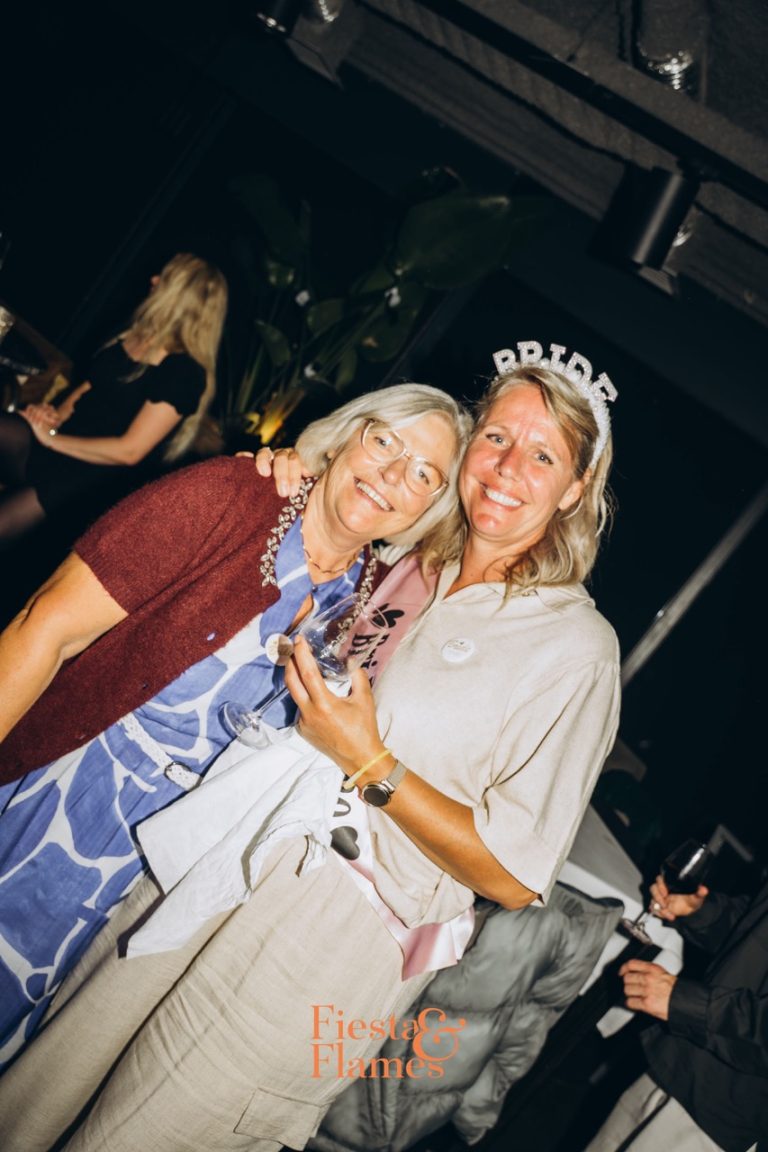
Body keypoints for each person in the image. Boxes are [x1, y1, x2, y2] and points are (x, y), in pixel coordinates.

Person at [0, 339, 622, 1152]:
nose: (508, 468)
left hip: (336, 936)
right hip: (217, 856)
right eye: (497, 438)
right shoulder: (407, 565)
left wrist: (373, 765)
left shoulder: (574, 647)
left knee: (144, 1135)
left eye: (543, 456)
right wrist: (295, 466)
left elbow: (514, 874)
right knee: (42, 1091)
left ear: (576, 487)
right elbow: (330, 522)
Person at [0, 380, 467, 1069]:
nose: (394, 474)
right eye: (384, 441)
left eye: (424, 474)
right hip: (69, 796)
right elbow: (44, 626)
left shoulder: (362, 593)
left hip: (153, 869)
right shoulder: (233, 496)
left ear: (429, 508)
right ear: (346, 435)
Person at [0, 252, 228, 547]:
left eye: (164, 278)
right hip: (62, 439)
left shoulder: (184, 372)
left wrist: (52, 439)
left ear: (180, 296)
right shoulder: (134, 334)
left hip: (87, 476)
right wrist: (52, 417)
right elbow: (89, 387)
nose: (153, 280)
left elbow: (130, 451)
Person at [584, 869, 768, 1152]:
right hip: (679, 1061)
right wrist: (701, 913)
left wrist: (684, 1003)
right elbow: (753, 932)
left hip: (723, 1114)